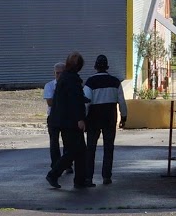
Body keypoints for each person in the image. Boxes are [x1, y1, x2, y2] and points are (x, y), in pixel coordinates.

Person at [46, 52, 94, 189]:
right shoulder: (72, 79)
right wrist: (80, 119)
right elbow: (74, 101)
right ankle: (54, 174)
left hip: (63, 120)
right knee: (75, 150)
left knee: (79, 151)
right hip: (70, 121)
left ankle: (79, 180)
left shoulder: (65, 77)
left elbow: (70, 97)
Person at [82, 54, 129, 185]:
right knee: (109, 147)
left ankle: (88, 177)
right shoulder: (115, 82)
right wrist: (123, 117)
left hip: (93, 118)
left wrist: (83, 119)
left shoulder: (90, 82)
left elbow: (86, 103)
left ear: (95, 67)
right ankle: (106, 176)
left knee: (91, 148)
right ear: (107, 67)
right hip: (110, 117)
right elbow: (122, 102)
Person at [44, 62, 66, 169]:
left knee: (67, 141)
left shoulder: (69, 86)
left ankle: (67, 163)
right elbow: (49, 102)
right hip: (53, 116)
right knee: (54, 142)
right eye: (57, 73)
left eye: (61, 73)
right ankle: (56, 164)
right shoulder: (49, 86)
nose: (59, 76)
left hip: (66, 116)